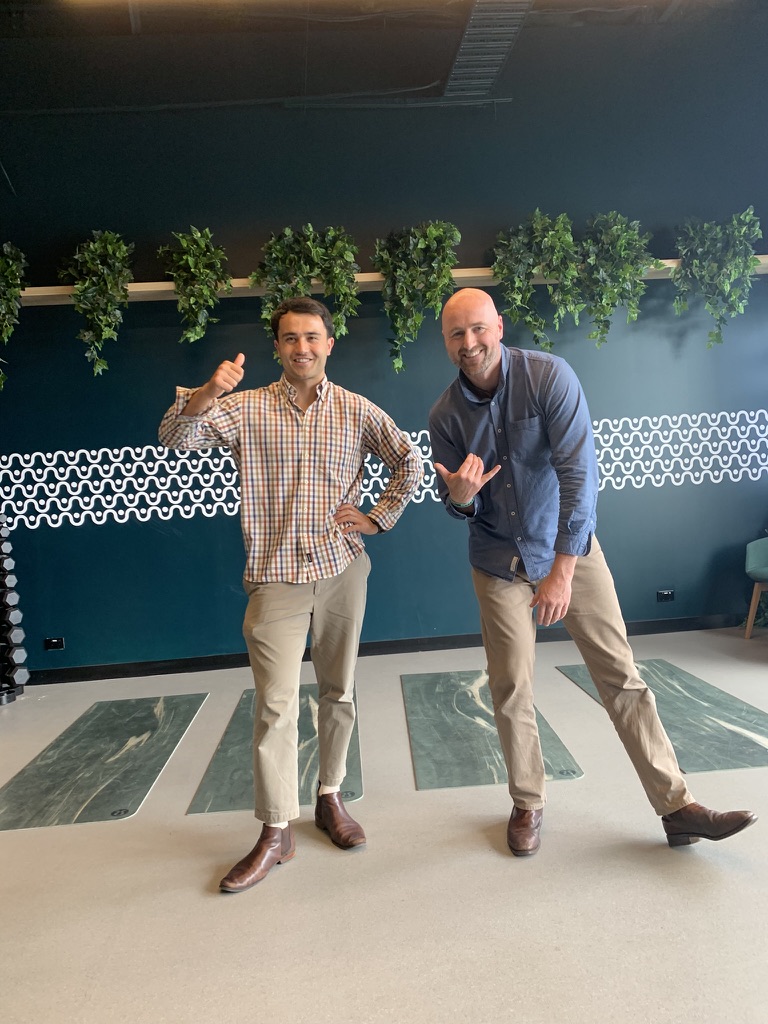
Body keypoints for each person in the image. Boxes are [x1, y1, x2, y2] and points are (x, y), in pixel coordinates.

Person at [428, 287, 757, 857]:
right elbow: (461, 504)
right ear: (446, 342)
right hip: (498, 562)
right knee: (510, 687)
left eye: (478, 328)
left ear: (499, 326)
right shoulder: (445, 415)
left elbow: (579, 474)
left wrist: (562, 569)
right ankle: (527, 803)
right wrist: (459, 498)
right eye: (457, 333)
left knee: (621, 677)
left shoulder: (548, 377)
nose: (469, 342)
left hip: (570, 549)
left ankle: (677, 807)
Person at [159, 296, 422, 892]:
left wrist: (377, 518)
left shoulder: (356, 410)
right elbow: (174, 437)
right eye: (289, 338)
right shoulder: (245, 407)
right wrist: (207, 393)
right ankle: (276, 831)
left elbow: (408, 462)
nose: (301, 347)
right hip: (276, 578)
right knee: (275, 705)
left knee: (338, 691)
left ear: (329, 344)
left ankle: (330, 797)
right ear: (277, 347)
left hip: (341, 569)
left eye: (311, 337)